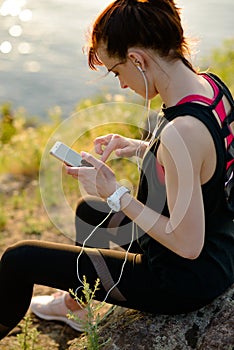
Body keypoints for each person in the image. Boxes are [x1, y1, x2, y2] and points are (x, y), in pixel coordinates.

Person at [0, 0, 234, 339]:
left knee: (19, 259)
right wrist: (142, 148)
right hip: (223, 246)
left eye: (117, 71)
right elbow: (207, 164)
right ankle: (78, 307)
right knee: (87, 212)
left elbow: (188, 245)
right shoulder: (211, 88)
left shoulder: (181, 132)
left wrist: (117, 194)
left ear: (138, 60)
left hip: (180, 281)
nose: (122, 84)